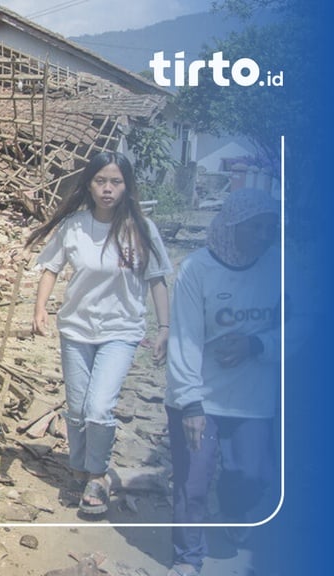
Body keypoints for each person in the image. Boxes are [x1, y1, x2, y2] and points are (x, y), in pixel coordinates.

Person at [26, 151, 171, 515]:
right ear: (89, 185)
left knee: (99, 407)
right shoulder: (74, 225)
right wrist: (40, 308)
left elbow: (157, 280)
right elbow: (51, 268)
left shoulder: (141, 228)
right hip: (76, 329)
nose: (108, 189)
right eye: (101, 181)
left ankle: (97, 475)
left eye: (116, 182)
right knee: (76, 409)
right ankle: (78, 468)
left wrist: (165, 327)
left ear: (127, 186)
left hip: (121, 331)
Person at [165, 188, 280, 576]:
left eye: (271, 227)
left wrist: (256, 343)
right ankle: (188, 557)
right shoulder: (198, 270)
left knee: (253, 476)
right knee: (193, 483)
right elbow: (184, 338)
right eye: (256, 227)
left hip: (254, 400)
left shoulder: (280, 268)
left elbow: (307, 325)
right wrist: (190, 403)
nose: (265, 235)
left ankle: (232, 513)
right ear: (231, 226)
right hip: (201, 396)